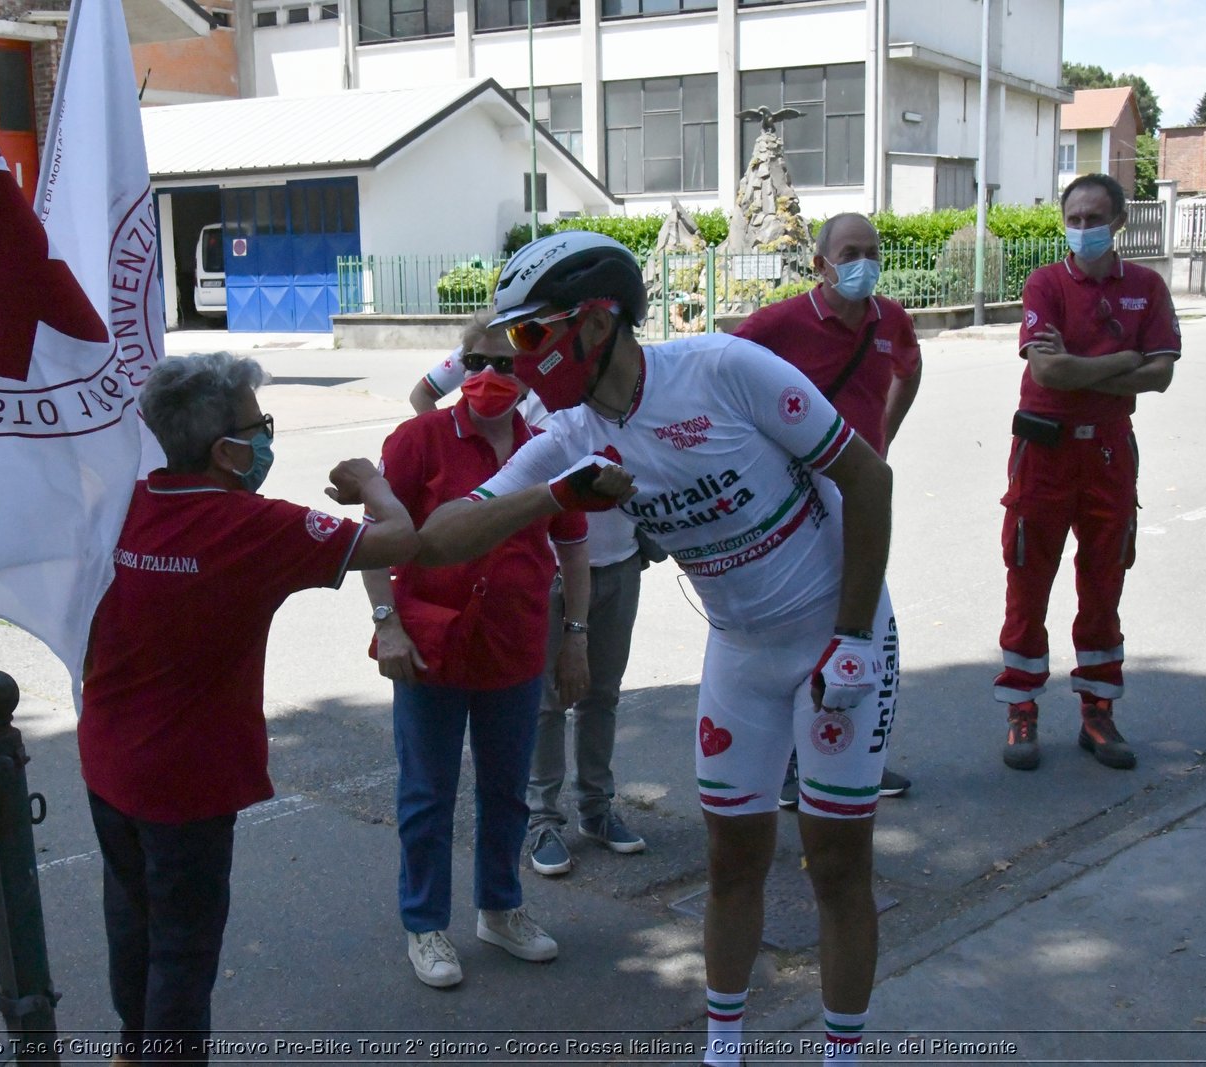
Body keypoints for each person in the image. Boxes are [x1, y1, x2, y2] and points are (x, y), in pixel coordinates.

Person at [414, 232, 897, 1067]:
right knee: (731, 861)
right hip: (742, 650)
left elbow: (868, 478)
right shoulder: (567, 432)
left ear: (596, 323)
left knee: (836, 864)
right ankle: (722, 1050)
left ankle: (843, 1054)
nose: (520, 359)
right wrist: (557, 492)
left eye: (532, 335)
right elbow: (441, 537)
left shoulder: (721, 369)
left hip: (836, 636)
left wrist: (853, 637)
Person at [78, 353, 417, 1062]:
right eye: (257, 425)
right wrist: (373, 483)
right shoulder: (252, 525)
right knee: (183, 948)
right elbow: (406, 539)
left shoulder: (126, 502)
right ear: (224, 448)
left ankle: (131, 1048)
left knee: (133, 921)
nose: (265, 436)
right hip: (185, 782)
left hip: (108, 760)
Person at [366, 311, 590, 988]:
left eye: (504, 363)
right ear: (459, 369)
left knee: (505, 791)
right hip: (431, 644)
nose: (489, 376)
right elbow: (376, 539)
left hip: (513, 643)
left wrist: (575, 639)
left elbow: (575, 550)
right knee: (427, 792)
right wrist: (388, 623)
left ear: (526, 375)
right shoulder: (417, 440)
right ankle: (425, 923)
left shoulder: (551, 447)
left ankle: (500, 907)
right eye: (476, 362)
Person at [409, 355, 648, 875]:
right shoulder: (540, 392)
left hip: (618, 564)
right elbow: (425, 394)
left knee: (601, 693)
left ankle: (597, 808)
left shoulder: (631, 392)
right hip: (556, 571)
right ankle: (543, 820)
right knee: (546, 701)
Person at [733, 211, 920, 808]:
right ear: (820, 264)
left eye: (872, 251)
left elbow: (909, 370)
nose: (863, 263)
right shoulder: (779, 323)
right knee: (804, 626)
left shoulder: (890, 320)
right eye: (849, 252)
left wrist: (882, 438)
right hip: (795, 498)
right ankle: (791, 763)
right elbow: (720, 373)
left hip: (859, 495)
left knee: (861, 620)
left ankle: (854, 754)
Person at [995, 173, 1180, 771]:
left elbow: (1161, 375)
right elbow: (1047, 375)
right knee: (1028, 583)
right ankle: (1022, 710)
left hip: (1107, 454)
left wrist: (1084, 364)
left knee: (1103, 584)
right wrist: (1126, 358)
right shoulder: (1045, 283)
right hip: (1043, 455)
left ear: (1119, 222)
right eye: (1073, 219)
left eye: (1093, 218)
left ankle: (1097, 711)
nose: (1082, 229)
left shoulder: (1146, 287)